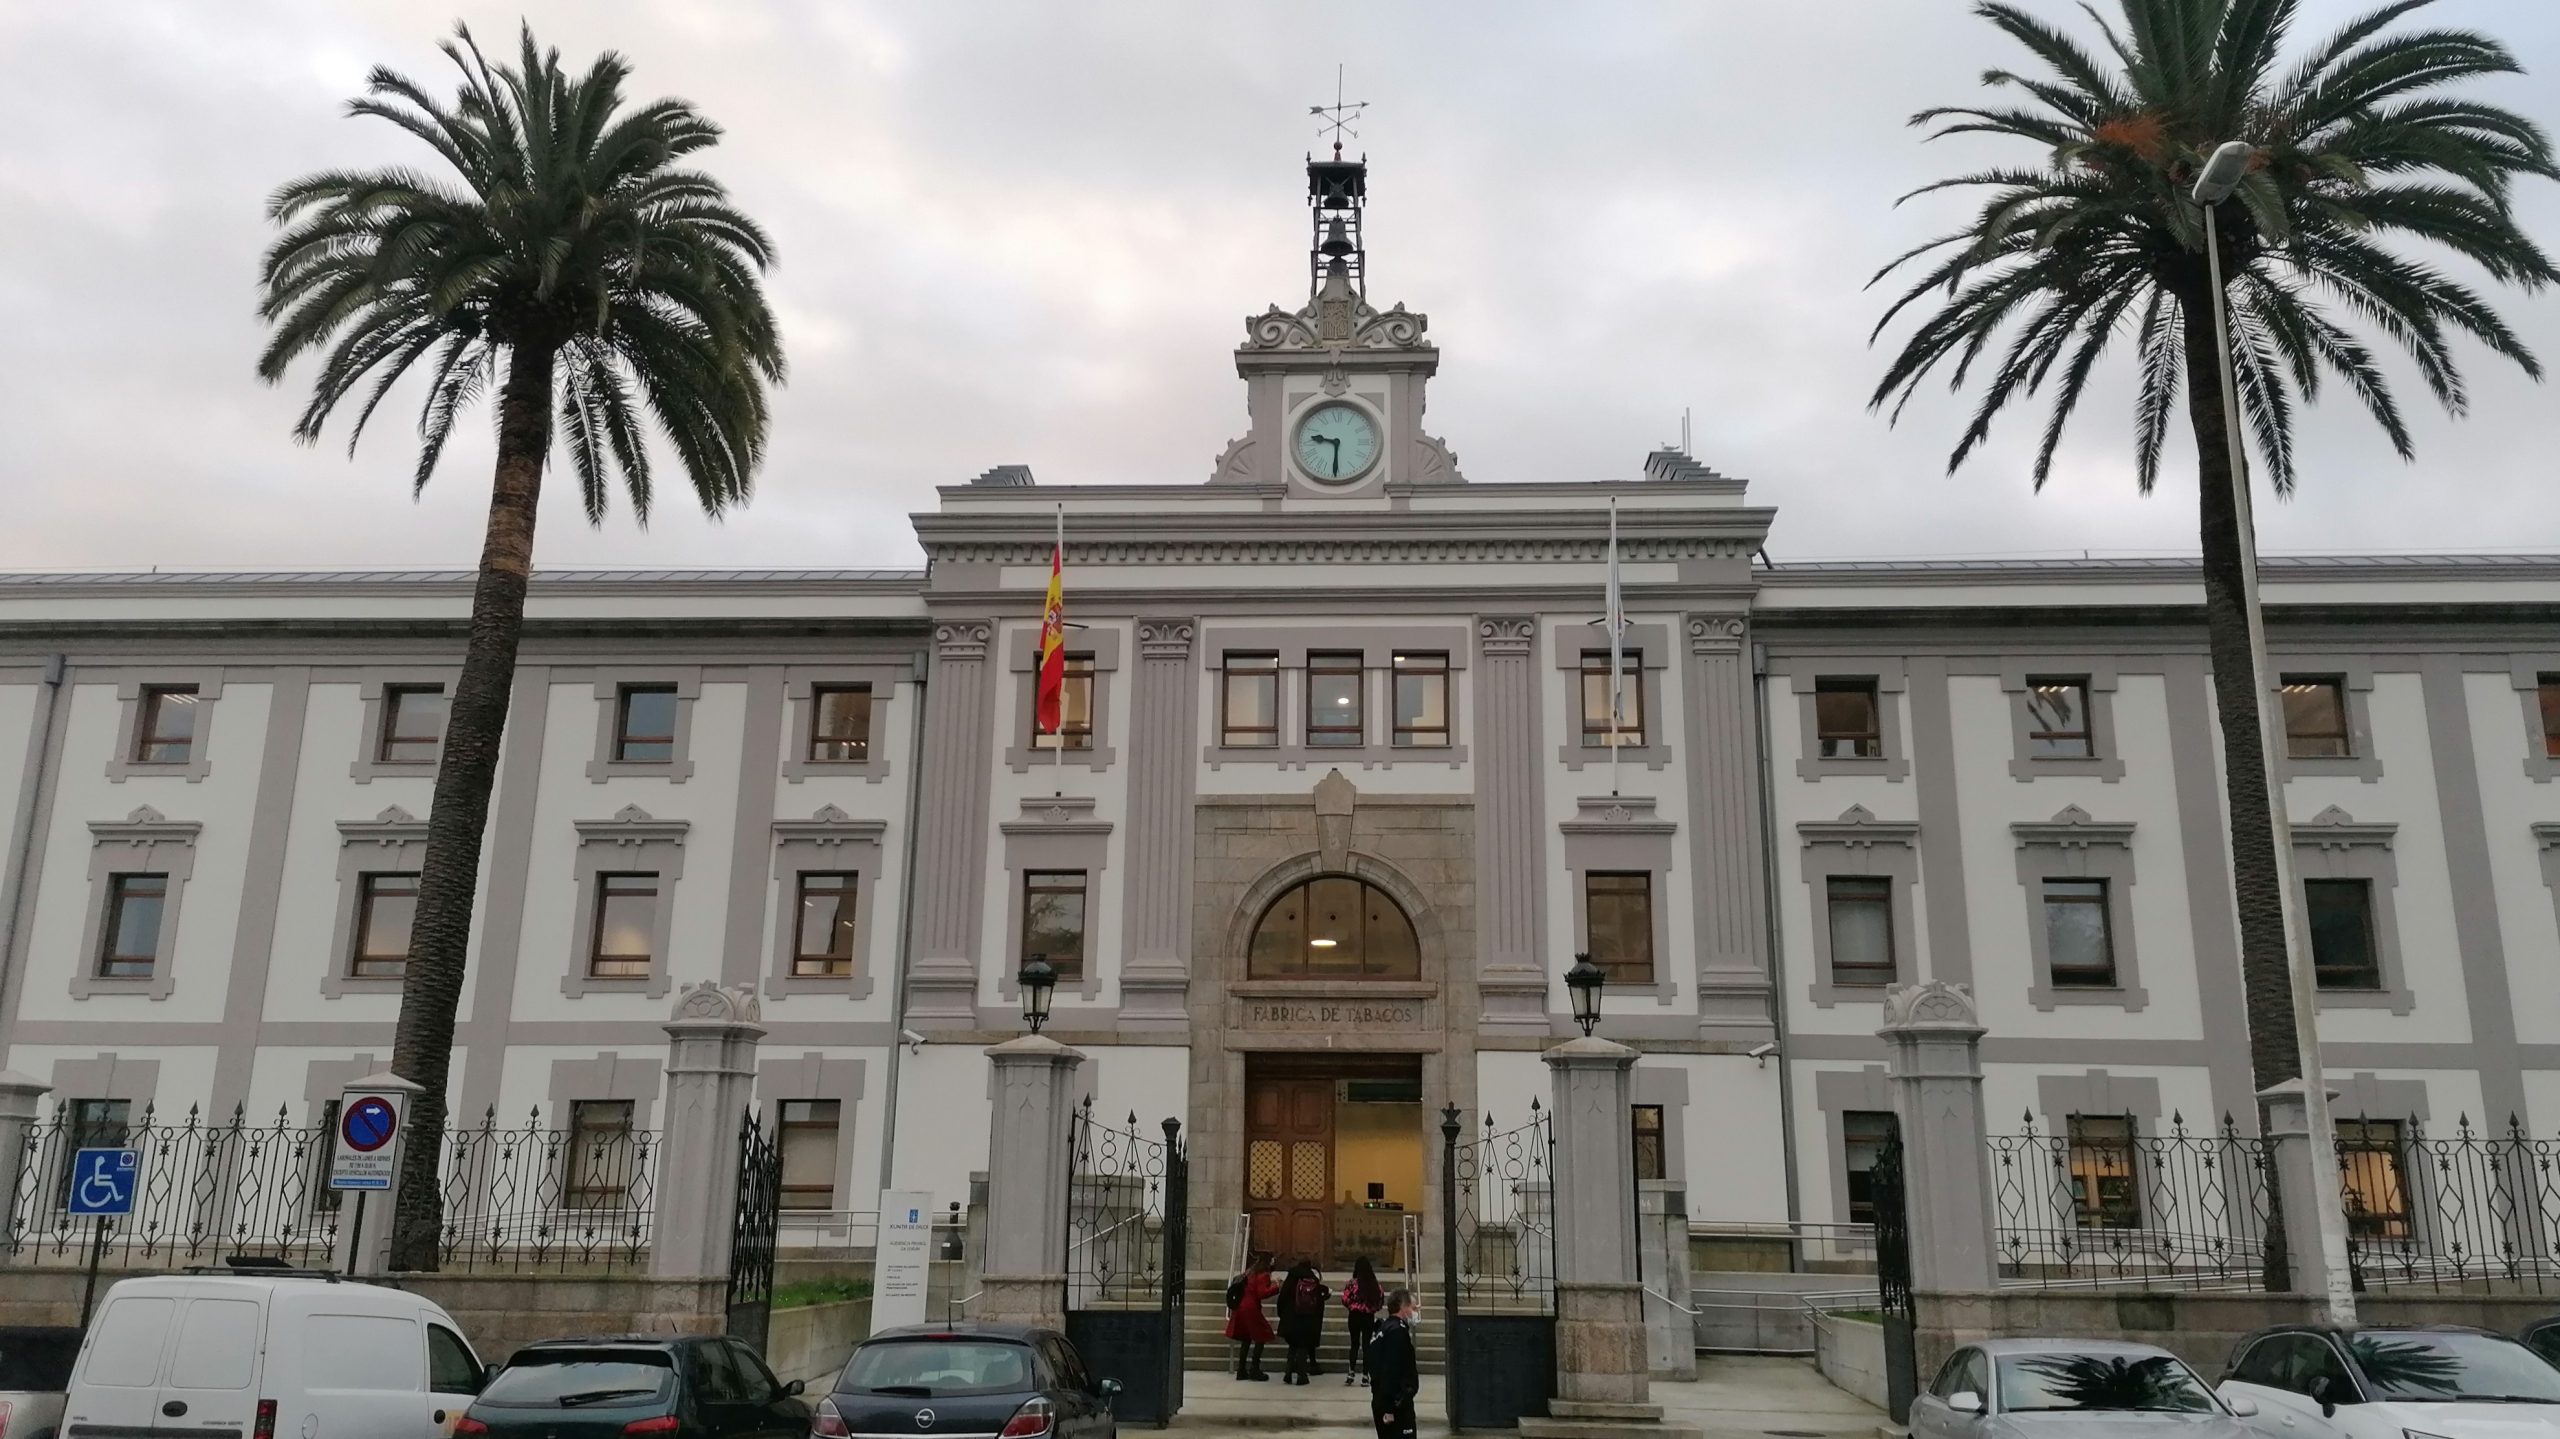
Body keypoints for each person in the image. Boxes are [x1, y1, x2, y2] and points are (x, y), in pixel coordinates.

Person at [1367, 1288, 1419, 1439]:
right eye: (1413, 1308)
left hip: (1385, 1399)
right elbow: (1391, 1370)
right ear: (1403, 1308)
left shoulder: (1383, 1330)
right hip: (1396, 1403)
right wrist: (1389, 1408)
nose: (1415, 1312)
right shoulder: (1397, 1333)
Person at [1276, 1257, 1330, 1385]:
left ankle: (1288, 1374)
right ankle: (1301, 1375)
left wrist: (1282, 1314)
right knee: (1302, 1347)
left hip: (1291, 1317)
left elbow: (1282, 1297)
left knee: (1292, 1346)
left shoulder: (1292, 1277)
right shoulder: (1312, 1278)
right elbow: (1318, 1301)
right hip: (1307, 1318)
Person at [1224, 1252, 1277, 1381]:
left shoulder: (1250, 1272)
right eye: (1273, 1260)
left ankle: (1241, 1370)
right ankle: (1254, 1369)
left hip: (1241, 1307)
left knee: (1246, 1338)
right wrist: (1277, 1286)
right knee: (1262, 1335)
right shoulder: (1264, 1275)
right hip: (1250, 1308)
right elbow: (1262, 1293)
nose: (1274, 1262)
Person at [1339, 1256, 1384, 1386]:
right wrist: (1370, 1308)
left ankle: (1351, 1372)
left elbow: (1345, 1299)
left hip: (1354, 1316)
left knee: (1354, 1344)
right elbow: (1380, 1301)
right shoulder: (1374, 1284)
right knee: (1366, 1346)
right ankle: (1365, 1375)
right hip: (1368, 1317)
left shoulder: (1352, 1284)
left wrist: (1353, 1306)